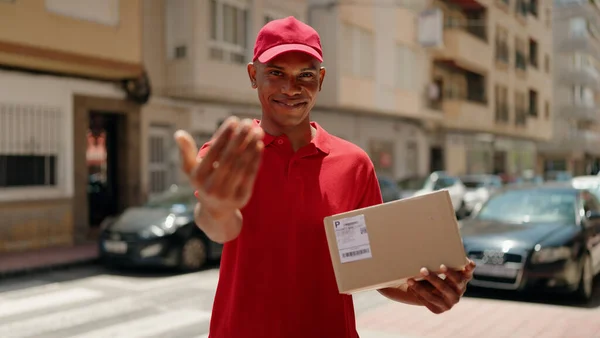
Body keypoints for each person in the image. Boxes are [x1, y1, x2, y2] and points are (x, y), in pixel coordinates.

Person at [175, 16, 475, 338]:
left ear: (321, 79)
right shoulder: (232, 154)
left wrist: (421, 291)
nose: (291, 88)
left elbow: (371, 268)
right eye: (276, 73)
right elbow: (219, 228)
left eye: (304, 75)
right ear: (253, 75)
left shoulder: (354, 164)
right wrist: (216, 207)